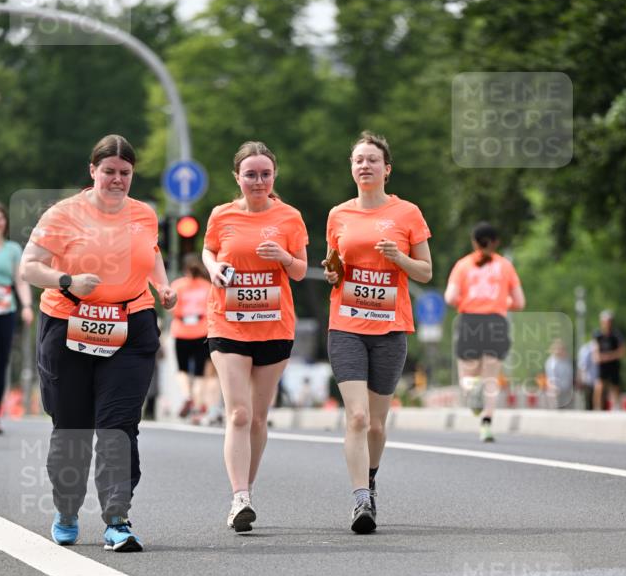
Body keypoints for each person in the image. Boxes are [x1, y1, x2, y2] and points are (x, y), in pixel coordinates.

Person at [21, 134, 177, 551]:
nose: (117, 179)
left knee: (118, 425)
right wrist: (67, 280)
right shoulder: (63, 214)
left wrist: (162, 286)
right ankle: (67, 509)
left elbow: (151, 253)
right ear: (93, 171)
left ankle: (117, 519)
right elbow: (29, 267)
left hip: (130, 324)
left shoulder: (144, 214)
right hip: (68, 323)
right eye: (109, 171)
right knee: (71, 426)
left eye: (125, 172)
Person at [323, 131, 432, 534]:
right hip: (346, 325)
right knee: (356, 416)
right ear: (351, 169)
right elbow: (335, 265)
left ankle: (369, 479)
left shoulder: (408, 213)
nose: (364, 165)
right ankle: (360, 500)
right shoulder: (338, 215)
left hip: (389, 328)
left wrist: (398, 257)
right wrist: (333, 273)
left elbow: (426, 272)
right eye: (358, 160)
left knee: (376, 425)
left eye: (372, 160)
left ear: (387, 169)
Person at [202, 140, 308, 532]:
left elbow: (300, 271)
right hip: (228, 322)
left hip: (273, 325)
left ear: (274, 176)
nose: (258, 181)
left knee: (259, 418)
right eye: (250, 175)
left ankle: (246, 489)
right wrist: (213, 268)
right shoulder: (222, 215)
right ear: (237, 177)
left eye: (265, 174)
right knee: (239, 413)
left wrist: (284, 257)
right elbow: (209, 250)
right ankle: (240, 497)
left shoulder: (289, 217)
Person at [444, 222, 525, 442]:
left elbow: (450, 297)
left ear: (474, 242)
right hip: (495, 323)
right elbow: (519, 302)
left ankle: (472, 391)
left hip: (469, 321)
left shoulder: (463, 265)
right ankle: (487, 424)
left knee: (467, 375)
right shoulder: (505, 266)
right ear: (496, 242)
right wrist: (500, 302)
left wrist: (468, 302)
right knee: (491, 378)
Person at [0, 201, 34, 434]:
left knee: (1, 362)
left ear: (5, 223)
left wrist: (27, 306)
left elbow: (20, 281)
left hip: (6, 310)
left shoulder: (12, 249)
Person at [170, 252, 217, 424]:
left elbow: (171, 308)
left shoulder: (177, 285)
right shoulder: (207, 286)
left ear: (184, 268)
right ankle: (197, 408)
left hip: (181, 331)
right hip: (201, 332)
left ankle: (187, 395)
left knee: (182, 369)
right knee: (199, 373)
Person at [592, 310, 626, 411]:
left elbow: (622, 351)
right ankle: (597, 407)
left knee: (615, 385)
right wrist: (598, 357)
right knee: (599, 385)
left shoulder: (617, 334)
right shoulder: (597, 334)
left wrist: (609, 356)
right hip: (602, 365)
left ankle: (617, 407)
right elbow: (595, 350)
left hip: (614, 364)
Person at [544, 339, 573, 409]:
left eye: (562, 349)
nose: (560, 351)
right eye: (558, 349)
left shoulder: (567, 361)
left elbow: (569, 375)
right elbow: (551, 377)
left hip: (567, 390)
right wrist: (554, 388)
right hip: (556, 391)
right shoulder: (551, 362)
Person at [576, 337, 598, 411]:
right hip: (588, 381)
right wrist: (580, 379)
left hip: (597, 381)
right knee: (588, 404)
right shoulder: (587, 349)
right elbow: (582, 366)